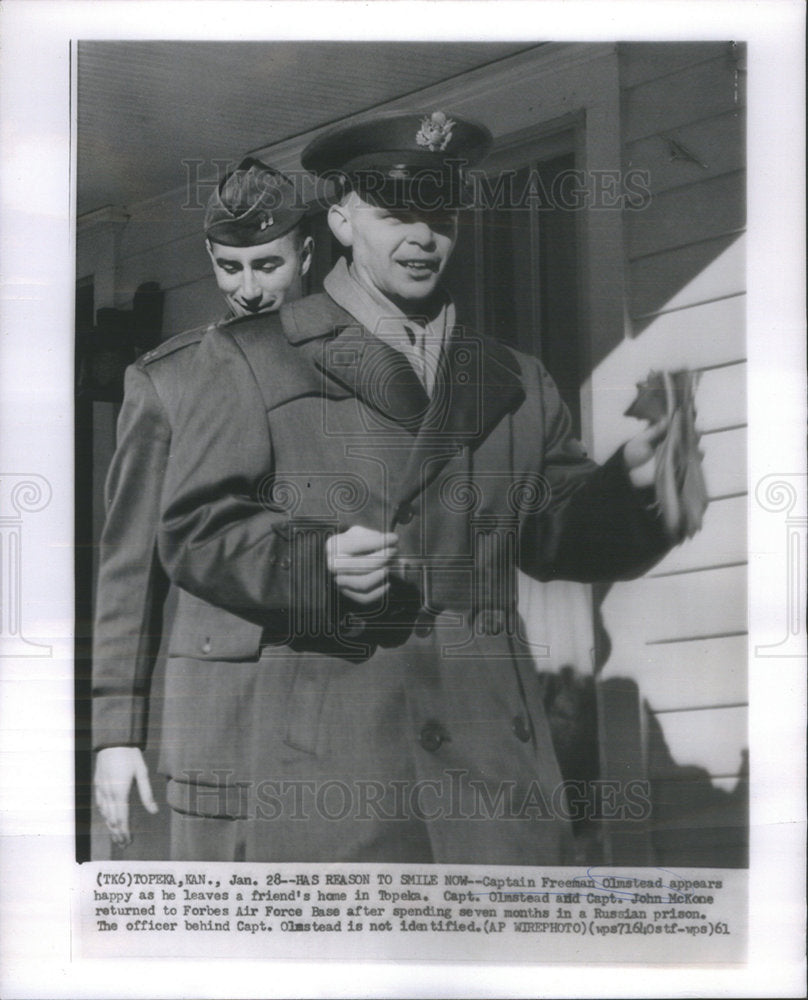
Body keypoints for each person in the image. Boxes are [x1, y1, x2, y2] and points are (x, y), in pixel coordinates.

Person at [157, 111, 676, 864]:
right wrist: (313, 565)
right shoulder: (253, 358)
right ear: (339, 220)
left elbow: (552, 532)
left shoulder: (516, 380)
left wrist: (636, 486)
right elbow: (195, 528)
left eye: (439, 212)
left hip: (497, 777)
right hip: (341, 770)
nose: (421, 236)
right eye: (394, 212)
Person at [92, 157, 313, 852]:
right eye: (230, 268)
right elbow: (129, 568)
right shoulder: (169, 382)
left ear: (306, 252)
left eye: (268, 266)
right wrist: (116, 733)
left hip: (342, 705)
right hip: (218, 718)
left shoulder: (361, 365)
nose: (248, 290)